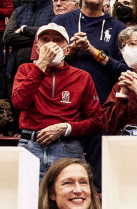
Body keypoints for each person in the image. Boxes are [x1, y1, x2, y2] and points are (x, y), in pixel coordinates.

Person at [10, 23, 103, 176]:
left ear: (67, 50)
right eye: (45, 40)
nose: (51, 45)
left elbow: (97, 122)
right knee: (30, 197)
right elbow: (19, 102)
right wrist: (41, 65)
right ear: (38, 49)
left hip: (67, 146)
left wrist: (65, 128)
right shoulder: (25, 70)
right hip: (31, 144)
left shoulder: (82, 77)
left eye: (57, 40)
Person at [52, 0, 128, 103]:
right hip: (65, 102)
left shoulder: (119, 28)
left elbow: (126, 71)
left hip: (102, 102)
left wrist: (93, 52)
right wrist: (72, 50)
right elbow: (47, 63)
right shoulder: (60, 22)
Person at [3, 0, 53, 79]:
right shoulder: (19, 11)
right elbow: (7, 37)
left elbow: (52, 36)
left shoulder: (55, 9)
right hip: (17, 71)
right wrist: (39, 38)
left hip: (45, 72)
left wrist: (24, 30)